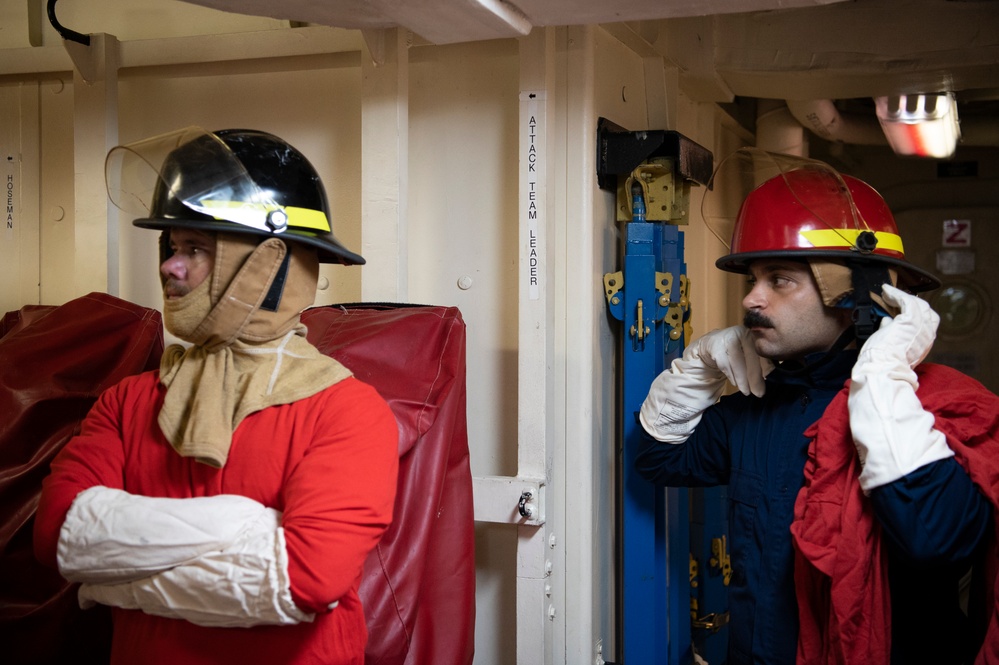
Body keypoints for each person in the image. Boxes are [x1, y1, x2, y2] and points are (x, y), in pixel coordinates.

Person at [33, 127, 400, 665]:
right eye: (171, 246)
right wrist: (248, 528)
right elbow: (57, 534)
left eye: (196, 248)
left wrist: (110, 579)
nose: (168, 267)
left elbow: (307, 580)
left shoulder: (346, 411)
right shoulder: (127, 401)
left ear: (266, 267)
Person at [636, 150, 999, 665]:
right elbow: (658, 459)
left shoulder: (935, 412)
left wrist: (878, 380)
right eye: (752, 280)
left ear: (856, 294)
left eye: (779, 279)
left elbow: (935, 539)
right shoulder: (762, 408)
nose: (751, 300)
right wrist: (698, 367)